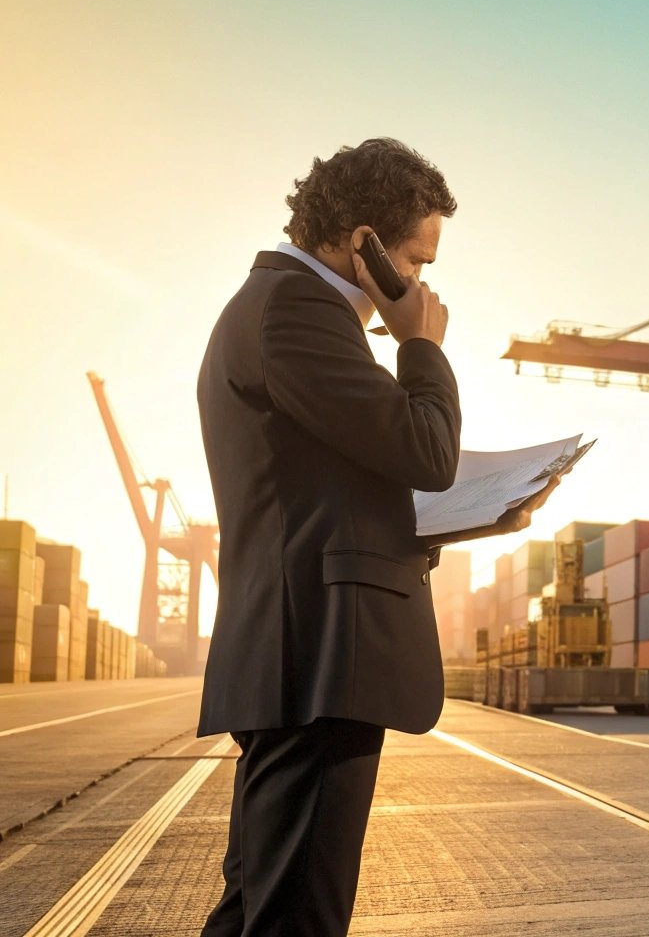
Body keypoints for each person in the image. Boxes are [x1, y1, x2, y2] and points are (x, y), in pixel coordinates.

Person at [196, 138, 554, 936]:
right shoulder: (298, 311)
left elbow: (334, 495)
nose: (423, 284)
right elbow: (425, 453)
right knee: (297, 918)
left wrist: (478, 513)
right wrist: (420, 344)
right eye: (417, 262)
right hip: (320, 659)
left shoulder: (281, 307)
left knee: (259, 907)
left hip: (298, 654)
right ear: (364, 245)